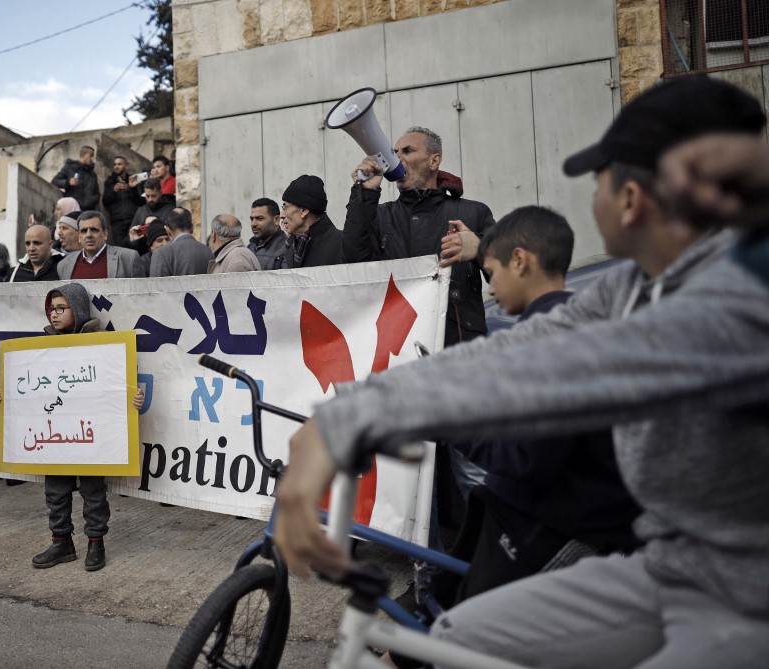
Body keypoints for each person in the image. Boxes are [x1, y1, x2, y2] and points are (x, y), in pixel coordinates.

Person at [273, 76, 769, 669]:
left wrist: (346, 421)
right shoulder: (636, 285)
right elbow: (522, 348)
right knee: (456, 637)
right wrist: (349, 414)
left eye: (599, 177)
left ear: (633, 198)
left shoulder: (736, 293)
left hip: (741, 601)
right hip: (670, 570)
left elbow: (562, 362)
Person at [415, 207, 641, 624]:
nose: (490, 286)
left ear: (519, 261)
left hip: (555, 530)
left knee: (451, 634)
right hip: (556, 519)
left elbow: (528, 460)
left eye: (491, 271)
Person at [0, 283, 145, 571]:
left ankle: (96, 543)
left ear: (77, 309)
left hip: (91, 438)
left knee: (93, 492)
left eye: (61, 308)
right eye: (51, 309)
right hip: (55, 437)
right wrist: (6, 395)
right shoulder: (39, 351)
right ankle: (61, 543)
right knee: (55, 491)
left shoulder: (103, 345)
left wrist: (134, 399)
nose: (54, 314)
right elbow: (30, 391)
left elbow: (118, 387)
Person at [344, 127, 495, 346]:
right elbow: (353, 262)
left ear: (434, 161)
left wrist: (481, 249)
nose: (397, 158)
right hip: (400, 346)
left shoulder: (474, 213)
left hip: (458, 347)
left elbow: (508, 276)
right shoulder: (380, 215)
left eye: (407, 151)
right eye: (394, 153)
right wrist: (364, 193)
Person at [280, 175, 344, 268]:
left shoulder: (341, 244)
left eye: (285, 207)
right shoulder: (288, 247)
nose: (282, 214)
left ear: (304, 211)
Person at [56, 211, 137, 280]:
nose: (89, 235)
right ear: (79, 236)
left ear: (105, 234)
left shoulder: (129, 259)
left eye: (94, 230)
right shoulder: (64, 265)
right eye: (84, 231)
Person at [149, 207, 214, 277]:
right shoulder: (209, 252)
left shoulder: (161, 254)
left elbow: (156, 283)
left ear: (168, 231)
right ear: (192, 228)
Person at [102, 156, 144, 247]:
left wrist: (130, 189)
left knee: (134, 247)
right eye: (115, 164)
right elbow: (105, 202)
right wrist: (113, 191)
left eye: (119, 164)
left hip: (132, 221)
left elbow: (140, 202)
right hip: (117, 222)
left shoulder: (132, 180)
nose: (116, 166)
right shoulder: (109, 181)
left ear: (126, 165)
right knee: (120, 248)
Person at [52, 146, 100, 212]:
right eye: (91, 155)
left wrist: (90, 202)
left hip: (87, 211)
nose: (92, 158)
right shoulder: (70, 167)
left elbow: (97, 194)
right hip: (72, 209)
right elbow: (55, 181)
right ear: (83, 155)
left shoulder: (93, 175)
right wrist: (68, 182)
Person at [248, 198, 287, 270]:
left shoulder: (286, 248)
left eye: (259, 218)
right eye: (252, 219)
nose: (253, 224)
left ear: (276, 220)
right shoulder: (251, 246)